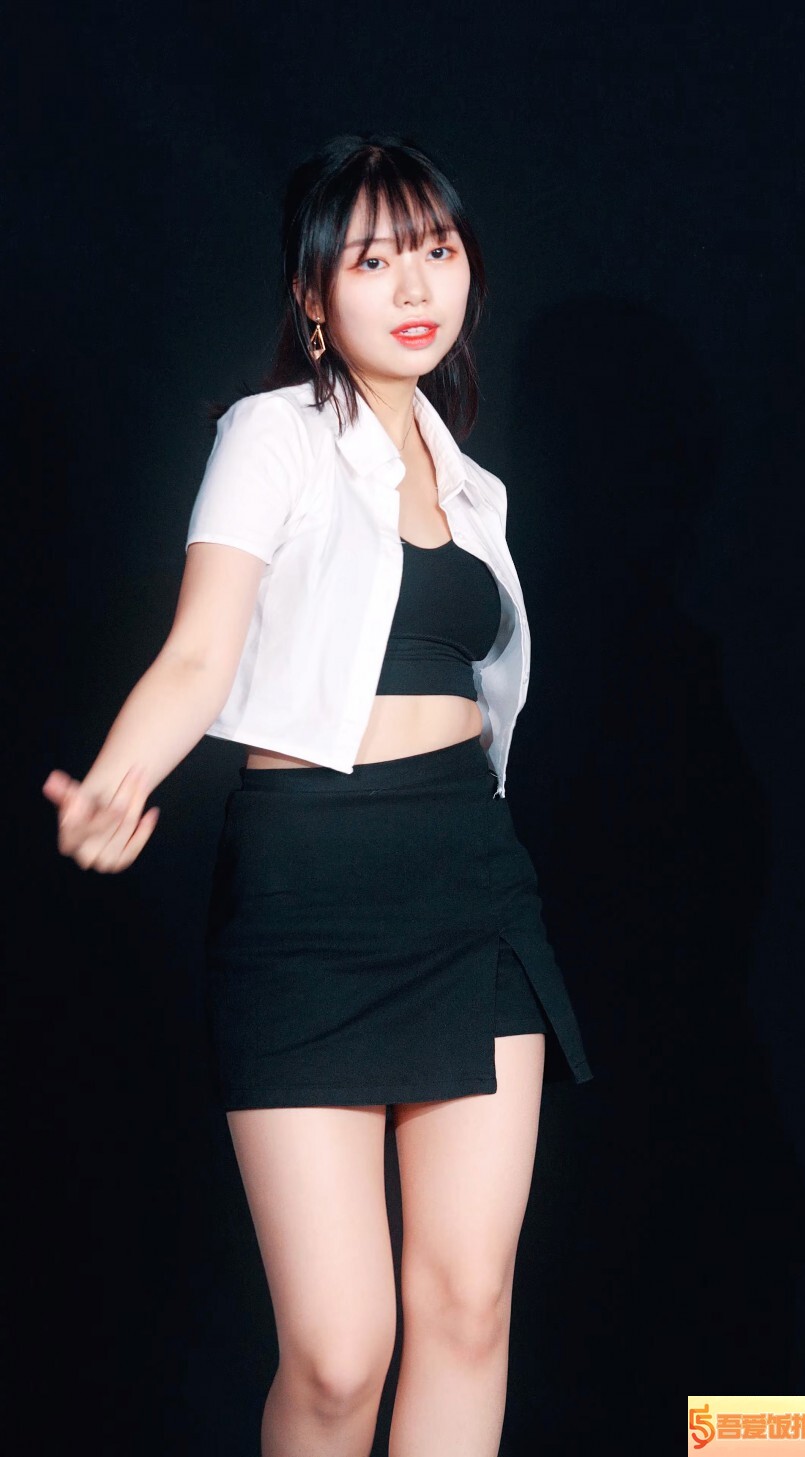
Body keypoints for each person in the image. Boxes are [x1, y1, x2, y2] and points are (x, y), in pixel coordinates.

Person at [42, 132, 593, 1457]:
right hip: (307, 898)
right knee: (340, 1356)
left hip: (471, 887)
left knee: (467, 1308)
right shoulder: (271, 435)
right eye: (374, 259)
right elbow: (198, 652)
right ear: (311, 294)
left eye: (438, 251)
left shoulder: (474, 486)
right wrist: (115, 782)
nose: (416, 284)